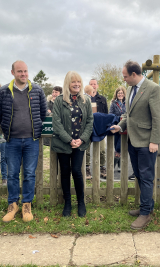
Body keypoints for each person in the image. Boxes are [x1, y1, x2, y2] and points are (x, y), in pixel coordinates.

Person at [111, 60, 160, 229]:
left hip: (147, 142)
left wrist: (154, 141)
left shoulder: (153, 89)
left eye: (125, 76)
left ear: (134, 74)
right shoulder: (130, 89)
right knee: (140, 176)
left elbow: (157, 117)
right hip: (133, 140)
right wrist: (120, 126)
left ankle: (145, 214)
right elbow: (128, 115)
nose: (124, 79)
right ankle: (147, 206)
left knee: (146, 178)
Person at [0, 60, 47, 223]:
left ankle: (26, 204)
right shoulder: (4, 91)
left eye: (25, 71)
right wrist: (7, 128)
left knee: (29, 174)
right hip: (12, 140)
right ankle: (12, 205)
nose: (23, 74)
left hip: (31, 140)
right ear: (13, 73)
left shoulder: (37, 90)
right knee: (12, 174)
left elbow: (43, 112)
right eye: (19, 71)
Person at [51, 71, 93, 217]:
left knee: (76, 171)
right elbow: (56, 123)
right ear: (67, 84)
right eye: (73, 82)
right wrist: (69, 140)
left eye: (79, 82)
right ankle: (67, 203)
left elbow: (89, 121)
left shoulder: (85, 100)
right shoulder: (59, 100)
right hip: (63, 143)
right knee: (64, 172)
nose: (76, 84)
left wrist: (81, 139)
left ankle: (81, 202)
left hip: (79, 144)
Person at [86, 79, 108, 179]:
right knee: (86, 150)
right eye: (91, 84)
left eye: (94, 84)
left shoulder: (102, 99)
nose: (93, 86)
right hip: (87, 127)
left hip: (99, 128)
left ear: (97, 86)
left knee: (102, 150)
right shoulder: (84, 98)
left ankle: (102, 168)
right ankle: (87, 169)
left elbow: (106, 114)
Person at [109, 86, 127, 171]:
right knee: (116, 146)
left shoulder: (127, 103)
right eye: (119, 93)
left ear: (124, 94)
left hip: (124, 127)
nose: (120, 94)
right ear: (116, 94)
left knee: (119, 147)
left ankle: (112, 167)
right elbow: (111, 114)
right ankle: (119, 166)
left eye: (122, 93)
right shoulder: (113, 103)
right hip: (116, 126)